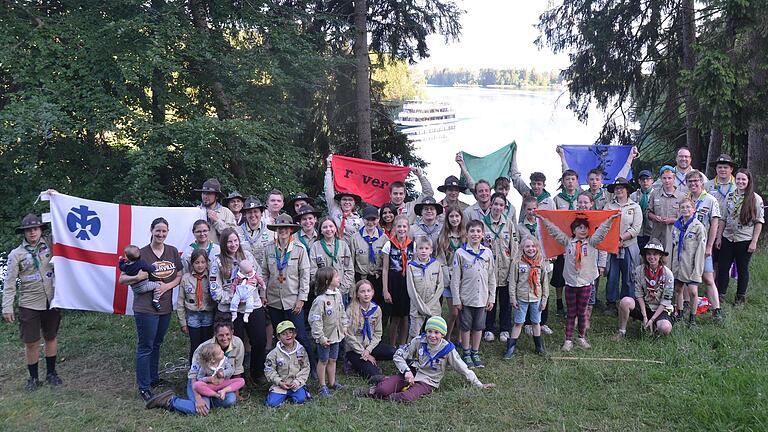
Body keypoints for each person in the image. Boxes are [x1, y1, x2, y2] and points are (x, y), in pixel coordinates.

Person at [354, 316, 495, 402]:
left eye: (437, 332)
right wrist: (407, 371)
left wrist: (479, 384)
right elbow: (398, 355)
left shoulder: (448, 350)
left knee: (405, 398)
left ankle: (386, 382)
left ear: (443, 334)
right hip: (413, 373)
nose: (432, 335)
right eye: (429, 331)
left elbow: (463, 368)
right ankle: (378, 387)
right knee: (383, 390)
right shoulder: (419, 340)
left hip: (428, 381)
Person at [118, 217, 182, 402]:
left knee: (157, 343)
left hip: (165, 306)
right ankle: (144, 386)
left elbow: (178, 275)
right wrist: (137, 277)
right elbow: (122, 279)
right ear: (151, 231)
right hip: (145, 307)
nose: (161, 234)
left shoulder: (172, 251)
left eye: (164, 231)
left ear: (168, 232)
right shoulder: (140, 253)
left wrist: (166, 287)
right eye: (158, 231)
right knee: (145, 346)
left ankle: (153, 378)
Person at [538, 212, 618, 352]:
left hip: (586, 283)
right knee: (571, 313)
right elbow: (555, 231)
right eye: (579, 227)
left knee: (582, 312)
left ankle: (581, 337)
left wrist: (610, 220)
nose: (583, 230)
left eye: (585, 228)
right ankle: (568, 340)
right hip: (570, 283)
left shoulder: (592, 242)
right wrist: (544, 221)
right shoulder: (567, 242)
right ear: (573, 230)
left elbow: (602, 232)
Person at [3, 214, 61, 391]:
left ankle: (51, 373)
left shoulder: (51, 245)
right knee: (31, 342)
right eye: (28, 230)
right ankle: (33, 377)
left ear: (41, 230)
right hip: (29, 302)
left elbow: (64, 227)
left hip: (51, 300)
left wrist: (55, 198)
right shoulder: (17, 254)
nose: (32, 232)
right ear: (24, 233)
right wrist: (6, 306)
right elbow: (10, 282)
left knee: (51, 337)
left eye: (35, 229)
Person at [146, 321, 244, 414]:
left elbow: (237, 369)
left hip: (219, 385)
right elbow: (194, 375)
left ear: (232, 333)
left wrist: (236, 393)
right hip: (200, 383)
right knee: (200, 410)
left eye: (227, 334)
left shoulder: (238, 343)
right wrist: (198, 398)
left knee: (231, 399)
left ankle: (209, 400)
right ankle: (170, 400)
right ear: (215, 335)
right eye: (221, 335)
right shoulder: (203, 348)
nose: (225, 338)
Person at [209, 228, 267, 383]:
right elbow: (215, 291)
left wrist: (259, 293)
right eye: (229, 241)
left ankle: (257, 372)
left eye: (235, 241)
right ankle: (233, 376)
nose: (233, 244)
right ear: (223, 243)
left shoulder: (247, 256)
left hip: (252, 304)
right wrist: (233, 298)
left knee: (260, 340)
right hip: (230, 308)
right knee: (233, 343)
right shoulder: (217, 261)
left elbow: (259, 276)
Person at [263, 214, 314, 371]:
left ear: (291, 229)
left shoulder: (299, 249)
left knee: (300, 336)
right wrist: (262, 293)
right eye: (279, 228)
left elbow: (305, 276)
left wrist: (301, 299)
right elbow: (264, 273)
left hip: (293, 300)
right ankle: (283, 367)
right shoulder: (269, 248)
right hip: (274, 300)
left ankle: (311, 366)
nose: (282, 231)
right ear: (276, 230)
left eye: (285, 228)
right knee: (280, 335)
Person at [450, 220, 496, 368]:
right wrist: (457, 299)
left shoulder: (487, 253)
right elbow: (455, 279)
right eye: (472, 231)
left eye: (478, 231)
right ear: (467, 234)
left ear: (482, 234)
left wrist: (491, 297)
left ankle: (475, 351)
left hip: (482, 298)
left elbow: (491, 277)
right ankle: (466, 351)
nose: (475, 234)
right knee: (465, 326)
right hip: (466, 298)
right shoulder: (460, 253)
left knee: (478, 326)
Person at [716, 168, 764, 306]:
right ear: (734, 180)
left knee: (743, 268)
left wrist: (754, 242)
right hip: (728, 237)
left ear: (748, 181)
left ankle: (740, 298)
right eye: (738, 179)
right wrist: (719, 237)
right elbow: (723, 218)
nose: (741, 182)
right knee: (723, 267)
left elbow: (759, 222)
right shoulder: (730, 196)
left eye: (744, 179)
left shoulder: (755, 198)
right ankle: (721, 295)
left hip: (745, 239)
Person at [614, 240, 674, 339]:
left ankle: (655, 326)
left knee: (665, 328)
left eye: (655, 254)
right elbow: (639, 295)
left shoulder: (668, 274)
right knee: (625, 302)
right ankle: (622, 331)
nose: (652, 257)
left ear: (660, 256)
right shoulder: (639, 270)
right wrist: (645, 316)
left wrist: (652, 319)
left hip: (660, 309)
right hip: (645, 306)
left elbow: (665, 301)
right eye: (649, 254)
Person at [685, 170, 723, 321]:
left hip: (702, 247)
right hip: (687, 246)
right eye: (690, 182)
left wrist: (709, 247)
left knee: (708, 278)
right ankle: (687, 305)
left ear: (701, 182)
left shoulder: (710, 200)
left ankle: (717, 310)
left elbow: (714, 224)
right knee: (686, 277)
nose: (693, 184)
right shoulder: (685, 200)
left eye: (696, 181)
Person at [481, 192, 519, 343]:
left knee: (505, 300)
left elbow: (514, 247)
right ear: (490, 204)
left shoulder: (508, 223)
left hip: (505, 268)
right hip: (488, 269)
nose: (498, 207)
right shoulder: (482, 223)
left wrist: (513, 266)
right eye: (495, 204)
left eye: (501, 205)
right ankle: (488, 328)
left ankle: (504, 329)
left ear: (505, 207)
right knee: (489, 300)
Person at [505, 236, 550, 358]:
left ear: (537, 247)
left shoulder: (541, 262)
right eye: (527, 246)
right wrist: (513, 298)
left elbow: (544, 282)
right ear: (522, 248)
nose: (531, 249)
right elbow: (513, 282)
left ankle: (539, 346)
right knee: (519, 322)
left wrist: (544, 299)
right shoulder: (517, 262)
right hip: (522, 297)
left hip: (536, 297)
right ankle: (511, 347)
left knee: (536, 322)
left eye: (533, 246)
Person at [604, 178, 642, 315]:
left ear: (627, 190)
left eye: (621, 187)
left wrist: (621, 238)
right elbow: (604, 226)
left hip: (629, 246)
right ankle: (611, 303)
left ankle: (627, 302)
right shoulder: (608, 207)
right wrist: (613, 241)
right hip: (612, 247)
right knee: (612, 275)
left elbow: (636, 228)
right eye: (616, 188)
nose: (619, 190)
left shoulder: (635, 207)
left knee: (629, 275)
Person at [308, 267, 348, 397]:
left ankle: (332, 382)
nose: (339, 278)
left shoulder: (338, 294)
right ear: (327, 281)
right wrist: (320, 337)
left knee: (333, 359)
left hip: (336, 335)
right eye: (336, 277)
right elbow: (315, 320)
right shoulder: (320, 300)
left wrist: (345, 326)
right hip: (325, 337)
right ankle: (322, 385)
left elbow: (342, 312)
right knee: (323, 360)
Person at [345, 280, 396, 382]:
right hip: (355, 350)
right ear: (357, 294)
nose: (366, 294)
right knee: (373, 374)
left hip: (370, 347)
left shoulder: (376, 309)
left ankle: (412, 367)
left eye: (369, 291)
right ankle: (352, 363)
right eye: (362, 291)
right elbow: (348, 335)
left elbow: (378, 333)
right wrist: (363, 352)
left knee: (392, 351)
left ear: (373, 292)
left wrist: (368, 350)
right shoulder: (351, 310)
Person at [671, 197, 707, 325]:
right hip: (678, 264)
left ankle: (692, 317)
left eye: (688, 207)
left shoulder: (698, 227)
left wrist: (697, 270)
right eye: (682, 207)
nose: (685, 210)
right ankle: (679, 313)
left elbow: (700, 250)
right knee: (678, 289)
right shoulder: (677, 226)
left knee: (692, 291)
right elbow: (673, 246)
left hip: (691, 265)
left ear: (694, 209)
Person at [176, 249, 216, 362]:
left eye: (203, 262)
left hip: (208, 314)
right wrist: (183, 322)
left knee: (207, 343)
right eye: (197, 262)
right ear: (192, 263)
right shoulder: (186, 278)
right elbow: (180, 301)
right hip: (192, 316)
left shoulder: (211, 278)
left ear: (207, 263)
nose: (200, 265)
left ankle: (207, 369)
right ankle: (193, 371)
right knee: (195, 344)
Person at [350, 206, 389, 321]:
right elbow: (351, 264)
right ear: (362, 220)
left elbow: (386, 264)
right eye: (368, 219)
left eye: (374, 219)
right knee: (359, 311)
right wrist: (352, 286)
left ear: (378, 220)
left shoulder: (384, 238)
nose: (370, 222)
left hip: (377, 279)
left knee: (377, 311)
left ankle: (376, 335)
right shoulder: (355, 238)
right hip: (361, 278)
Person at [381, 215, 414, 346]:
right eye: (399, 226)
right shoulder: (388, 245)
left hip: (408, 283)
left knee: (406, 316)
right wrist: (385, 290)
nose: (401, 229)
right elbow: (384, 269)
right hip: (393, 283)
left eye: (404, 226)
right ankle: (392, 345)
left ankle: (403, 344)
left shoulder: (413, 245)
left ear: (408, 228)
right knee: (395, 317)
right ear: (394, 228)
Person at [435, 206, 466, 341]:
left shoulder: (466, 236)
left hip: (464, 279)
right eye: (451, 216)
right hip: (448, 279)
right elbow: (440, 261)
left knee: (462, 311)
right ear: (447, 219)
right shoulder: (442, 237)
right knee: (453, 312)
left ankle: (459, 338)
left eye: (457, 216)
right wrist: (449, 278)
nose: (454, 219)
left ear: (461, 218)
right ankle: (445, 337)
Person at [264, 320, 310, 408]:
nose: (288, 335)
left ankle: (300, 392)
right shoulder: (274, 354)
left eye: (290, 332)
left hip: (296, 384)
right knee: (271, 404)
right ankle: (279, 395)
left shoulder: (301, 350)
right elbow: (269, 371)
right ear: (278, 337)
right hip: (280, 385)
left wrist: (298, 381)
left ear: (295, 334)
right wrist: (279, 382)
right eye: (284, 334)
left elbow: (306, 367)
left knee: (301, 399)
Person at [309, 217, 354, 304]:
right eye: (325, 227)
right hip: (322, 292)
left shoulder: (343, 245)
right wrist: (324, 288)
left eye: (331, 226)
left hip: (341, 291)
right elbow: (312, 270)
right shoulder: (315, 246)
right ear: (321, 230)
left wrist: (342, 289)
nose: (328, 229)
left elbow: (349, 270)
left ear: (335, 228)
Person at [406, 236, 443, 340]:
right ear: (416, 250)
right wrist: (421, 307)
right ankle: (412, 353)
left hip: (433, 307)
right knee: (414, 333)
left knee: (435, 331)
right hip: (417, 307)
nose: (423, 251)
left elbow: (440, 287)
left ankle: (434, 352)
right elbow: (411, 290)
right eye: (420, 248)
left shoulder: (436, 265)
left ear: (431, 250)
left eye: (426, 248)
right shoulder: (411, 266)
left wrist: (429, 306)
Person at [324, 155, 364, 242]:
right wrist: (328, 168)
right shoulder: (334, 210)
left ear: (354, 203)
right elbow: (328, 191)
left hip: (350, 253)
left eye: (350, 200)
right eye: (344, 199)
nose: (347, 202)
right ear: (340, 201)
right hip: (334, 250)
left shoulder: (359, 220)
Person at [648, 166, 685, 256]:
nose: (667, 181)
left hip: (673, 235)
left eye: (669, 178)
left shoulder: (682, 196)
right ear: (661, 179)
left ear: (674, 178)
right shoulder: (654, 194)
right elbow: (648, 212)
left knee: (670, 260)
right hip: (657, 234)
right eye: (664, 178)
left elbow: (685, 218)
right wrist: (655, 217)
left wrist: (672, 220)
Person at [509, 150, 556, 216]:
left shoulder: (550, 203)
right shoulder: (526, 192)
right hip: (524, 226)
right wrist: (514, 153)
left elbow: (553, 220)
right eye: (534, 184)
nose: (536, 186)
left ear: (544, 185)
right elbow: (515, 177)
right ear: (530, 184)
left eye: (539, 184)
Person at [119, 245, 161, 310]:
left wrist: (121, 261)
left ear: (127, 258)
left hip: (134, 288)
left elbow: (121, 267)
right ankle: (156, 301)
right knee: (158, 285)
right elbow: (150, 269)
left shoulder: (126, 266)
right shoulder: (141, 263)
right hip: (143, 286)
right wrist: (155, 266)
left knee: (153, 283)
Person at [196, 178, 237, 244]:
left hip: (219, 252)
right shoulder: (195, 212)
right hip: (199, 252)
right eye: (204, 193)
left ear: (217, 196)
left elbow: (233, 236)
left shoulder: (226, 212)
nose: (205, 196)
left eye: (209, 193)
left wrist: (217, 221)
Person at [238, 196, 272, 269]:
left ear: (261, 213)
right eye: (249, 212)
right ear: (245, 214)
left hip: (265, 273)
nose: (253, 215)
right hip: (245, 274)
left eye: (255, 211)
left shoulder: (270, 231)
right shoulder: (237, 232)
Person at [229, 259, 265, 323]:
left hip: (249, 293)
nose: (249, 274)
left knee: (250, 303)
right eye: (247, 273)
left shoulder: (254, 274)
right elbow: (234, 285)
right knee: (234, 302)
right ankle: (234, 314)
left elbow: (260, 279)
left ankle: (246, 315)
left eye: (250, 272)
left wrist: (263, 285)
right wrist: (232, 292)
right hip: (239, 292)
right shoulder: (239, 276)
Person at [631, 170, 655, 250]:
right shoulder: (633, 196)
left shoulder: (656, 195)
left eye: (647, 179)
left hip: (652, 231)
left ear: (652, 180)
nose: (645, 181)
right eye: (642, 179)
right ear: (639, 181)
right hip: (638, 232)